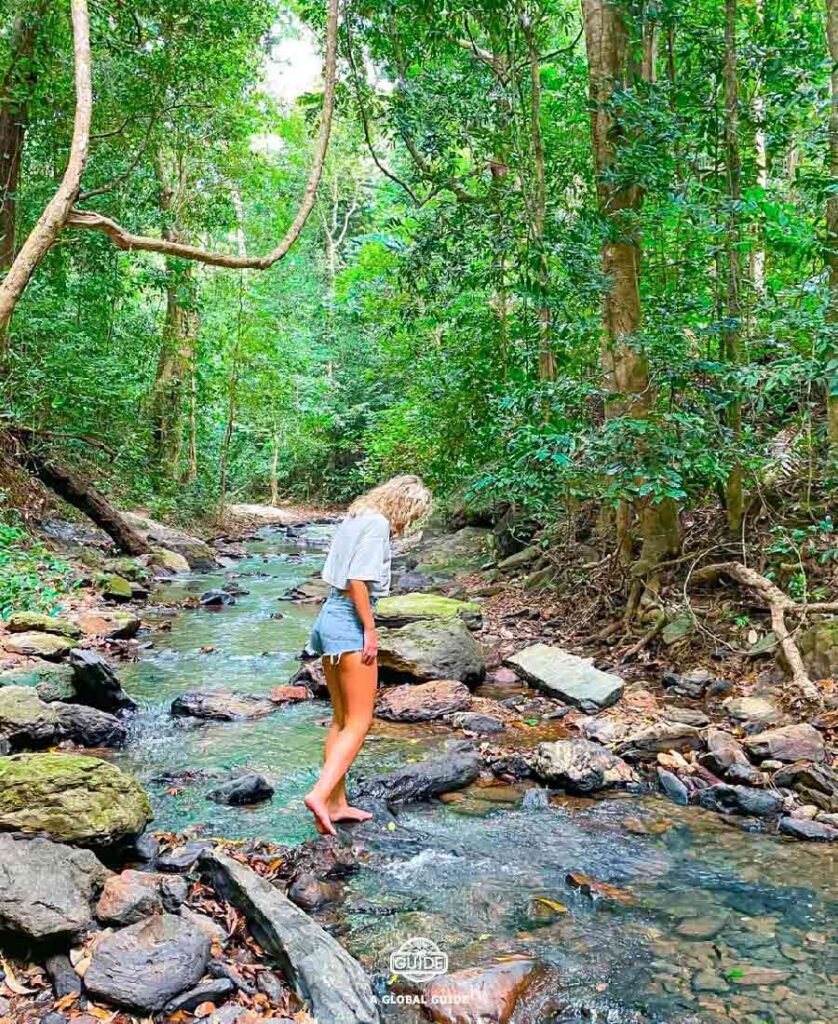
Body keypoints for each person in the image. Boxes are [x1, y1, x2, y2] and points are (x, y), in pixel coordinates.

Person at [303, 475, 433, 835]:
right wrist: (370, 631)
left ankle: (337, 803)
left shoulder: (358, 516)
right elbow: (358, 581)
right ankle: (320, 794)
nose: (407, 523)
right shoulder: (376, 525)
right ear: (404, 505)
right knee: (361, 721)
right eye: (412, 514)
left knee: (341, 721)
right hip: (348, 623)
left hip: (327, 618)